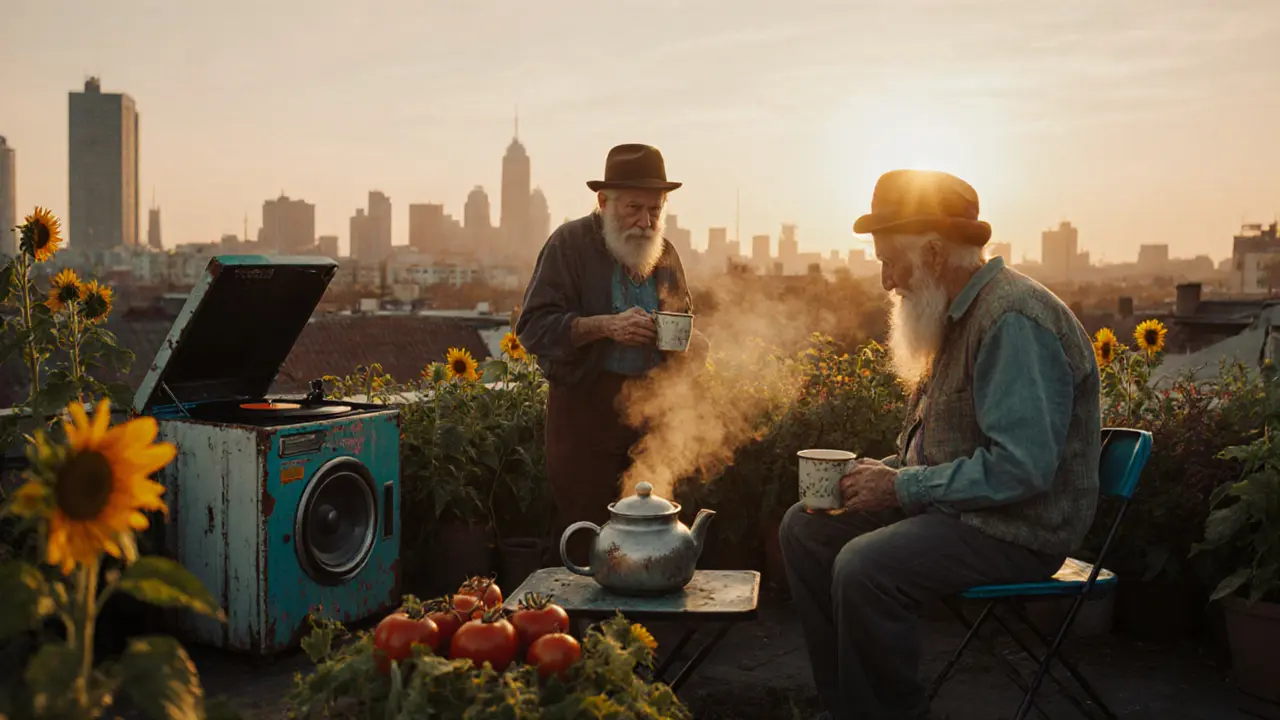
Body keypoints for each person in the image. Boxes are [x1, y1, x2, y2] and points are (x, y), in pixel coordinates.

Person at [779, 169, 1102, 720]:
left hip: (1017, 529)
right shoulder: (954, 313)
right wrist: (881, 474)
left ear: (932, 254)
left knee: (865, 566)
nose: (886, 281)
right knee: (806, 526)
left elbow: (1021, 469)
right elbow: (946, 449)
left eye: (891, 262)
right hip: (965, 513)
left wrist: (900, 487)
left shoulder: (1011, 319)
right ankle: (849, 706)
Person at [515, 143, 708, 561]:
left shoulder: (666, 253)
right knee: (586, 535)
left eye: (655, 210)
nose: (645, 222)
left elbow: (684, 328)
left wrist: (680, 339)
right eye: (634, 208)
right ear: (603, 202)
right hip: (585, 411)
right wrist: (606, 326)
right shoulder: (569, 244)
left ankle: (646, 603)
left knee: (652, 535)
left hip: (651, 410)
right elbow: (532, 328)